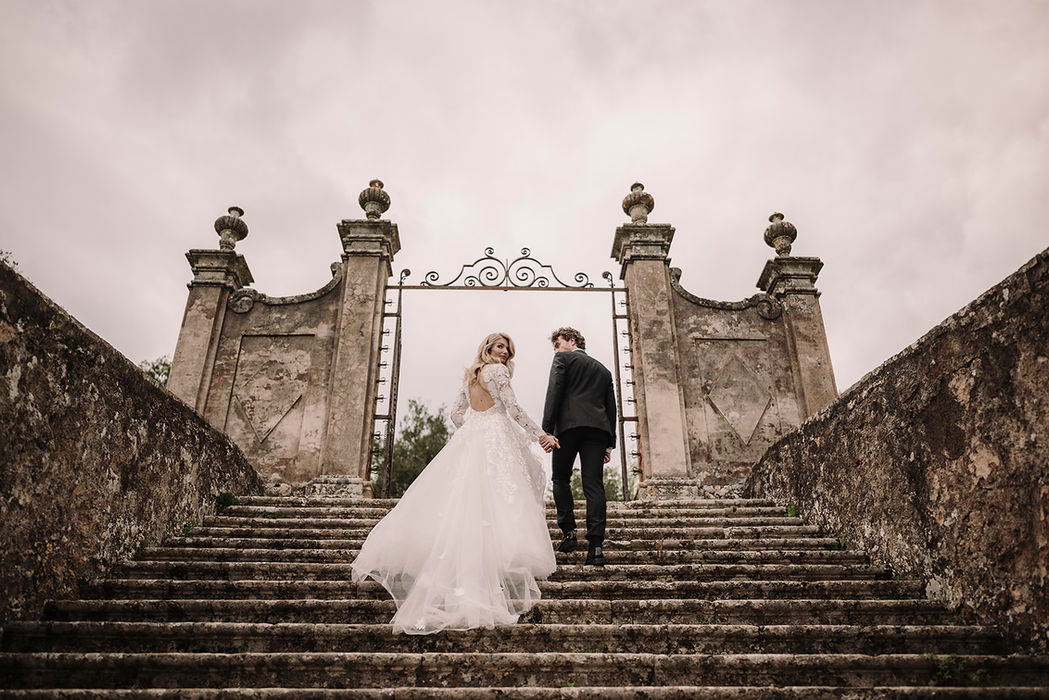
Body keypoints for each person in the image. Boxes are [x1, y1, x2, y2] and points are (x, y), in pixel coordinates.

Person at [351, 332, 559, 634]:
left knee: (469, 501)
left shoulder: (470, 376)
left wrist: (474, 427)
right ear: (488, 348)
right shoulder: (497, 372)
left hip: (473, 439)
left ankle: (480, 568)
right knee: (500, 499)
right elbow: (512, 408)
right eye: (500, 347)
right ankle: (493, 569)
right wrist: (540, 435)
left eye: (508, 349)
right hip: (495, 438)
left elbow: (455, 414)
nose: (504, 353)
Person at [542, 327, 617, 567]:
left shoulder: (562, 359)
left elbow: (553, 393)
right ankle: (595, 547)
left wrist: (546, 431)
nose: (555, 348)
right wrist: (610, 445)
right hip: (597, 431)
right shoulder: (603, 370)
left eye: (557, 343)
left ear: (571, 340)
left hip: (568, 428)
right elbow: (611, 408)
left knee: (561, 479)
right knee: (593, 484)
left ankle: (569, 533)